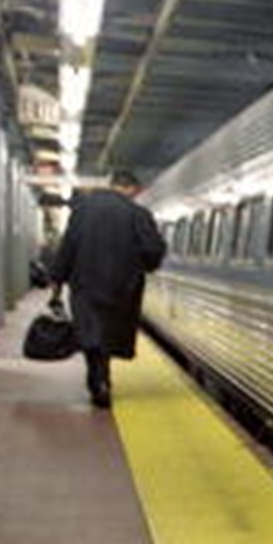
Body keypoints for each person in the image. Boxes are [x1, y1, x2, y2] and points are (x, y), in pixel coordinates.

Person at [48, 170, 167, 408]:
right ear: (132, 188)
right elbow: (154, 249)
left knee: (91, 335)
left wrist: (57, 282)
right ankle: (102, 378)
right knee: (109, 335)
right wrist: (142, 267)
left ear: (112, 184)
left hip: (85, 285)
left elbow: (68, 247)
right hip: (122, 287)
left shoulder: (82, 211)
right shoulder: (138, 214)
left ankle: (98, 379)